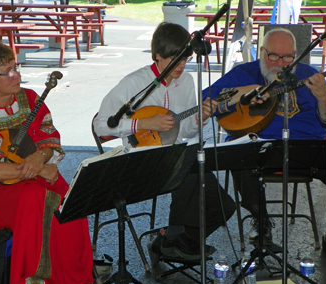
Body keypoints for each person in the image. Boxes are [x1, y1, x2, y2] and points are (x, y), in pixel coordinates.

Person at [203, 28, 326, 264]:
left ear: (295, 55)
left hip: (306, 148)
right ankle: (262, 224)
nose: (280, 63)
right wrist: (243, 95)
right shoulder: (245, 73)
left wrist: (323, 97)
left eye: (287, 57)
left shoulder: (310, 76)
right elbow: (206, 98)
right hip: (259, 146)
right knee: (240, 153)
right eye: (273, 56)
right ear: (262, 52)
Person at [93, 22, 236, 263]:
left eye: (185, 59)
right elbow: (100, 125)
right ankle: (175, 239)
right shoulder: (135, 83)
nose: (181, 66)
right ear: (158, 55)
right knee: (189, 171)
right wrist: (144, 124)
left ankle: (172, 240)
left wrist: (200, 117)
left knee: (223, 205)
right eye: (174, 59)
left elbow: (187, 131)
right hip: (140, 159)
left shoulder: (187, 81)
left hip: (176, 156)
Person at [0, 40, 94, 284]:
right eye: (8, 71)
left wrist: (40, 158)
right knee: (35, 197)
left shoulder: (31, 98)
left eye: (16, 67)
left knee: (68, 197)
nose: (17, 75)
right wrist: (37, 169)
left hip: (34, 172)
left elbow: (49, 140)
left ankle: (71, 282)